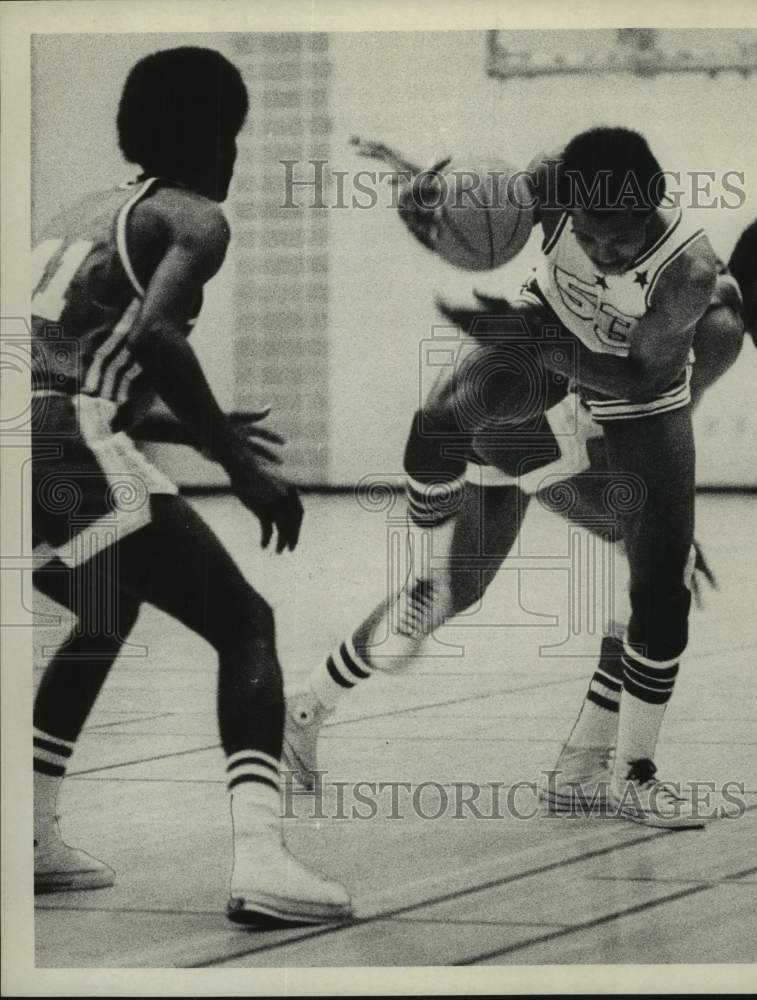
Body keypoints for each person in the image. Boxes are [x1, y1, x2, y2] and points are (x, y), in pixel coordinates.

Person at [287, 126, 722, 828]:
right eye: (589, 235)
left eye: (619, 237)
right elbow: (475, 194)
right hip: (539, 352)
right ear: (563, 207)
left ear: (655, 204)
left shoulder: (688, 273)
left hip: (635, 394)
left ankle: (631, 773)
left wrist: (544, 347)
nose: (604, 251)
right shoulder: (547, 181)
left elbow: (637, 373)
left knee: (660, 585)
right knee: (449, 501)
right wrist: (423, 186)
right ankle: (305, 708)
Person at [30, 46, 351, 925]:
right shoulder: (195, 217)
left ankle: (29, 833)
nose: (237, 154)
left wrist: (178, 427)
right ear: (217, 136)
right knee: (246, 623)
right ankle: (261, 862)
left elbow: (57, 367)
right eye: (235, 134)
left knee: (105, 606)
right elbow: (161, 339)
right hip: (60, 442)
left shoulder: (81, 212)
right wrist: (241, 469)